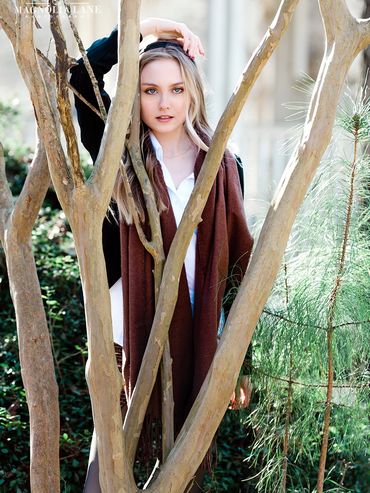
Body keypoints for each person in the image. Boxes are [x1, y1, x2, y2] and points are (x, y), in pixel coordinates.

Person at [70, 17, 253, 492]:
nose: (164, 102)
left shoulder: (225, 164)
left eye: (175, 89)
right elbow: (81, 74)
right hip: (125, 337)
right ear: (136, 94)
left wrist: (239, 360)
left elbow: (239, 268)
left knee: (178, 472)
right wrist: (146, 27)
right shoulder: (119, 153)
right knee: (108, 466)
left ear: (192, 92)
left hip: (198, 332)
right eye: (150, 90)